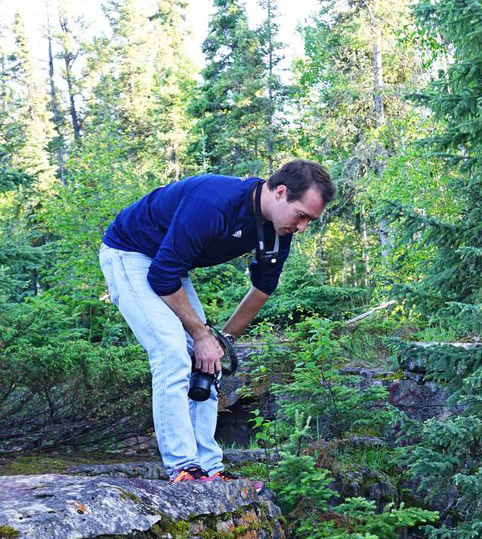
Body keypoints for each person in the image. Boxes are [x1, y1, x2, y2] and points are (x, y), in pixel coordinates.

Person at [99, 159, 335, 483]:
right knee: (171, 350)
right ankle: (183, 468)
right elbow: (161, 276)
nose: (303, 227)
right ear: (281, 192)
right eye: (302, 215)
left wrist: (220, 341)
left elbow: (261, 291)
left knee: (208, 361)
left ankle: (209, 467)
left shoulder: (278, 233)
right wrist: (201, 335)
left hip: (168, 266)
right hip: (130, 253)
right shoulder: (214, 204)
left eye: (311, 220)